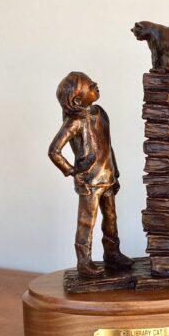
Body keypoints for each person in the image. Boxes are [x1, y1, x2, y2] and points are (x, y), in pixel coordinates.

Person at [48, 71, 134, 277]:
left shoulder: (100, 113)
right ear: (77, 100)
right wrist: (71, 172)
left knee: (111, 218)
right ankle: (84, 263)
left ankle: (112, 254)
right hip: (89, 181)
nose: (95, 85)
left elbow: (108, 145)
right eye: (90, 85)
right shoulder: (74, 122)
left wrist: (116, 171)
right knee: (87, 222)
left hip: (107, 176)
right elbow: (53, 151)